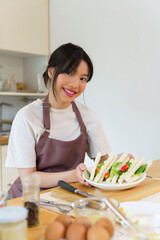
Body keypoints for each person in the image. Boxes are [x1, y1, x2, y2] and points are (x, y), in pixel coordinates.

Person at [6, 43, 112, 199]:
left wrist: (119, 163)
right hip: (28, 201)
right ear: (51, 72)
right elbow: (28, 178)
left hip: (66, 197)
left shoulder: (88, 116)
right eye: (69, 73)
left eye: (83, 78)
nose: (75, 84)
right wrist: (73, 176)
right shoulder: (27, 117)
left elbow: (102, 164)